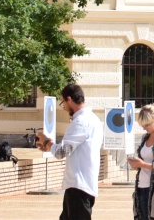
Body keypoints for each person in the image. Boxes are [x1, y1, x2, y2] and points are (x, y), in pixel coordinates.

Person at [37, 84, 102, 220]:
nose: (64, 107)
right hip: (81, 185)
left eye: (63, 103)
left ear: (69, 99)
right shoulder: (93, 119)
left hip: (78, 186)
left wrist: (46, 141)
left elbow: (61, 152)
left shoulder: (80, 122)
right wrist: (50, 145)